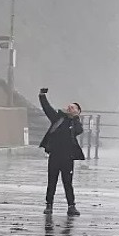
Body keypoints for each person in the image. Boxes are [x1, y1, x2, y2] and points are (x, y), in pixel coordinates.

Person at [38, 87, 85, 216]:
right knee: (51, 181)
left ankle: (71, 206)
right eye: (69, 107)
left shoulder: (75, 123)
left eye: (73, 108)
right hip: (55, 155)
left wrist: (75, 118)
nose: (70, 108)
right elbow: (47, 108)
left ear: (78, 112)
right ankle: (49, 205)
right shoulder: (58, 118)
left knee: (67, 182)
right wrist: (42, 96)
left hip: (68, 157)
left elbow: (79, 131)